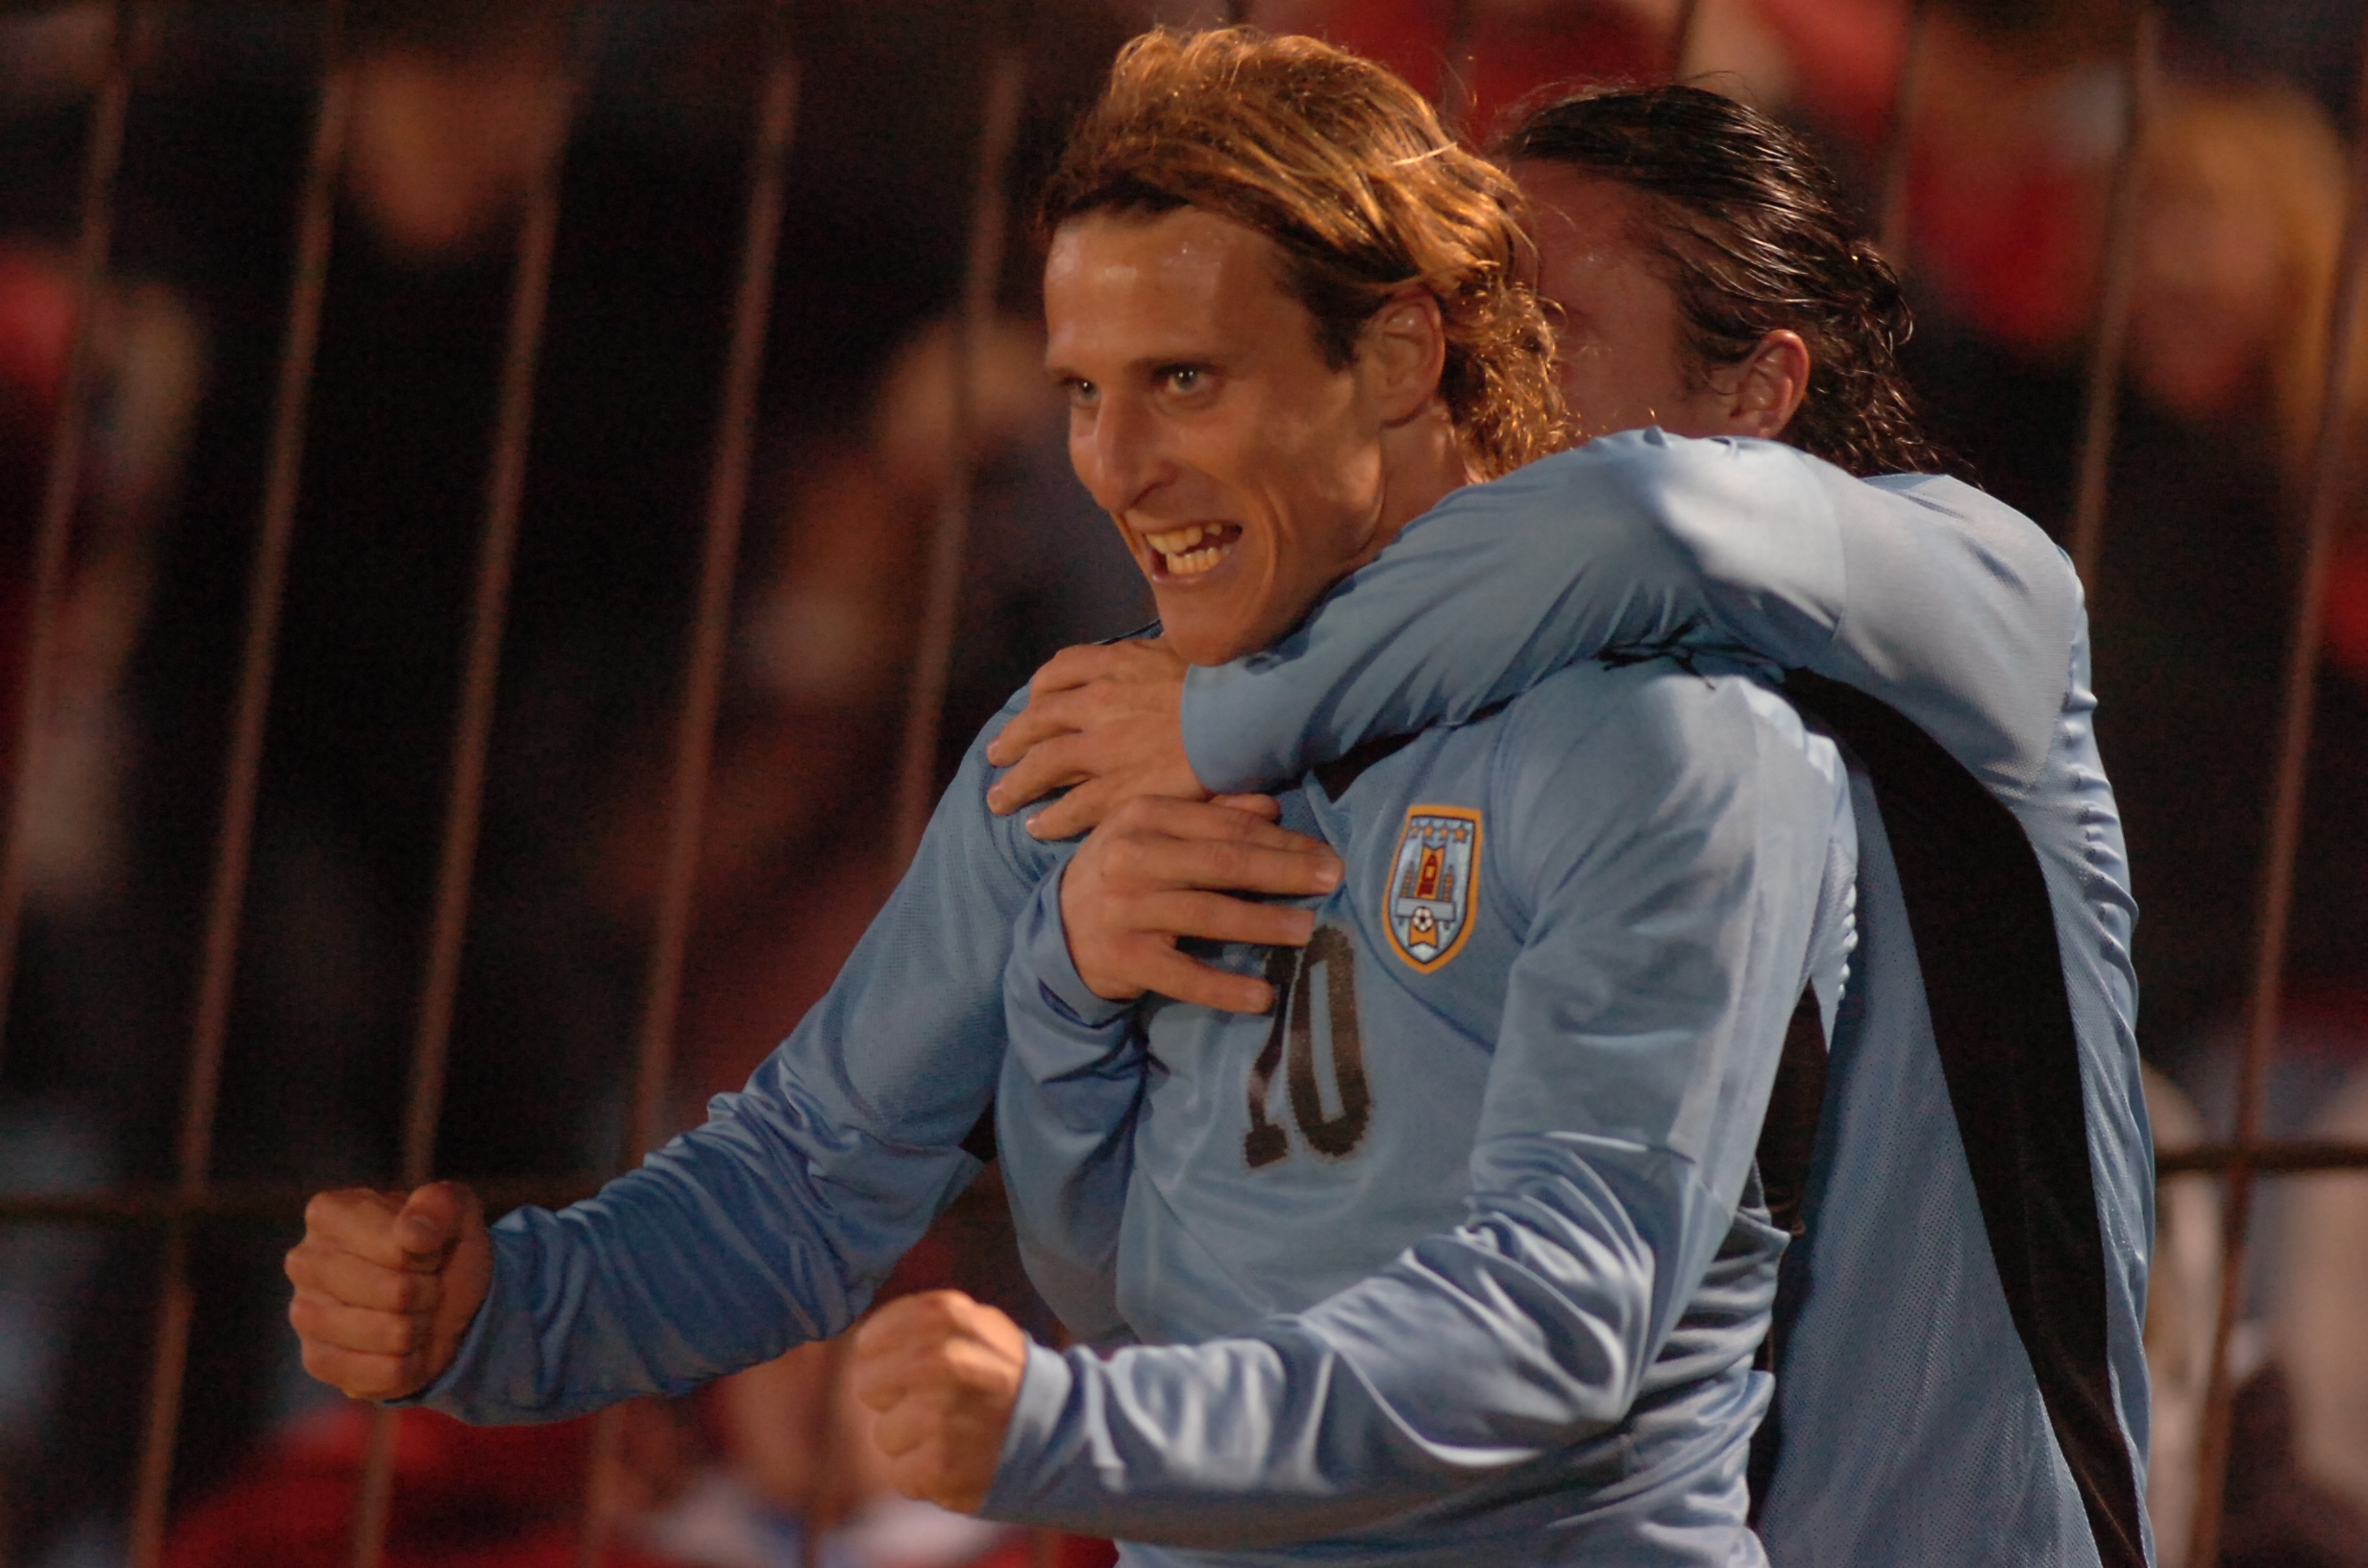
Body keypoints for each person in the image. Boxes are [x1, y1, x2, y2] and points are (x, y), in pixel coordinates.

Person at [285, 37, 2141, 1568]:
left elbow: (1556, 1315)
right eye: (1082, 389)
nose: (1115, 461)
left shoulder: (1707, 716)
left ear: (1398, 356)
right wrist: (506, 1316)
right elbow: (799, 1183)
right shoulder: (1089, 744)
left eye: (1183, 378)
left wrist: (1080, 1431)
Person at [976, 85, 2151, 1567]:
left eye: (1537, 330)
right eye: (1446, 334)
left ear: (1755, 394)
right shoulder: (1415, 722)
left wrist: (1226, 712)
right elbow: (1167, 1275)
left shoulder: (1975, 589)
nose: (1464, 386)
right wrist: (1079, 981)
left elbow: (1644, 524)